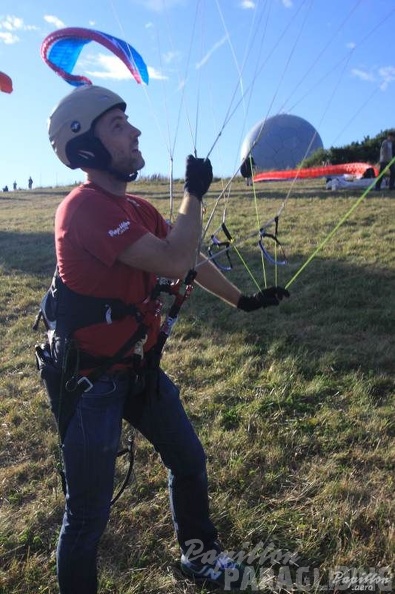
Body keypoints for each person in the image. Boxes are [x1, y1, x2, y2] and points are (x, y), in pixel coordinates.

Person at [44, 85, 289, 594]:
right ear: (85, 147)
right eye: (117, 126)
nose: (134, 132)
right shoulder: (82, 209)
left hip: (136, 368)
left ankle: (199, 557)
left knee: (189, 460)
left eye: (129, 121)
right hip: (91, 380)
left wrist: (242, 300)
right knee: (88, 514)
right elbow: (176, 259)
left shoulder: (134, 209)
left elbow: (191, 261)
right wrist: (195, 194)